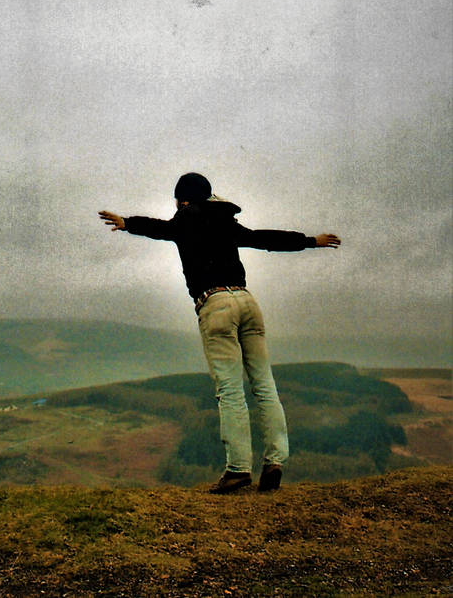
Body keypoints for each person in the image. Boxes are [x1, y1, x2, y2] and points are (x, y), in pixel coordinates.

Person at [98, 172, 340, 494]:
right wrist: (310, 241)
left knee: (230, 390)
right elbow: (265, 238)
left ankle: (238, 469)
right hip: (247, 302)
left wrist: (127, 222)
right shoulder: (226, 222)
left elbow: (160, 228)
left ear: (182, 199)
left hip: (216, 304)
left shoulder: (185, 219)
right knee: (265, 385)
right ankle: (275, 461)